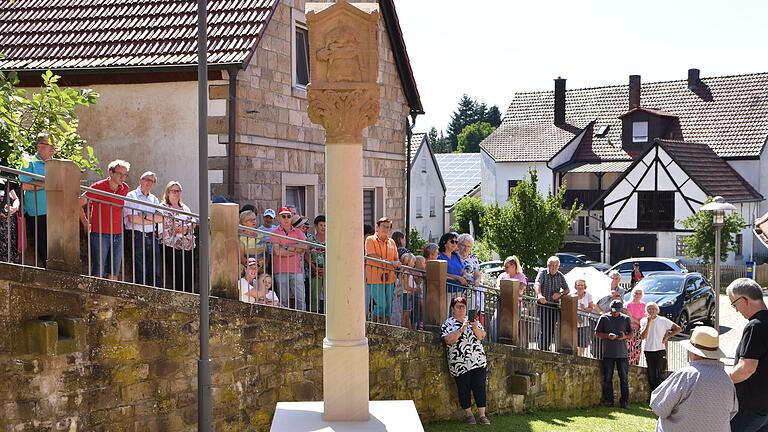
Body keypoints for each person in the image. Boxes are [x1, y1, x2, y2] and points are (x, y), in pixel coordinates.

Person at [650, 326, 738, 432]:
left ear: (694, 352)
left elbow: (659, 407)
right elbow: (732, 412)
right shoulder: (726, 380)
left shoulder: (686, 375)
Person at [726, 278, 768, 431]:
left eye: (734, 304)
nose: (736, 310)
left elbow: (746, 368)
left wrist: (723, 379)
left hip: (749, 408)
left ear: (744, 300)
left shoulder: (755, 326)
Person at [441, 296, 490, 425]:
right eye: (458, 306)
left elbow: (482, 336)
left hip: (478, 361)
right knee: (464, 389)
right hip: (460, 363)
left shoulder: (474, 321)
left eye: (463, 306)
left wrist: (474, 327)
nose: (461, 308)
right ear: (453, 309)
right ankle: (469, 415)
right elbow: (448, 340)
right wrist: (462, 329)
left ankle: (482, 415)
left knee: (480, 388)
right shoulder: (448, 323)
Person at [81, 160, 130, 280]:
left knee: (114, 270)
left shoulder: (124, 188)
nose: (122, 177)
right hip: (100, 233)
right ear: (111, 173)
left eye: (125, 174)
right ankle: (94, 295)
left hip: (118, 234)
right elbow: (79, 202)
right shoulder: (98, 186)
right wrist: (85, 223)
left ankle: (112, 297)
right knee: (99, 269)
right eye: (120, 174)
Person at [19, 132, 55, 267]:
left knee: (55, 246)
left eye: (54, 146)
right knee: (44, 246)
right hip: (37, 212)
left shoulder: (55, 163)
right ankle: (49, 273)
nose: (53, 149)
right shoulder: (29, 162)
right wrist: (47, 183)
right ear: (39, 146)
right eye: (50, 145)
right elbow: (24, 185)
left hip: (54, 211)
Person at [123, 171, 164, 286]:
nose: (149, 182)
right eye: (147, 179)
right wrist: (151, 219)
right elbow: (132, 218)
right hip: (136, 235)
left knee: (155, 267)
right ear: (140, 181)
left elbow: (160, 218)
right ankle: (142, 292)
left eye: (152, 181)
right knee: (139, 266)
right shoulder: (131, 196)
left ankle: (156, 293)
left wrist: (144, 216)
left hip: (152, 235)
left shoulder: (154, 199)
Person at [595, 299, 632, 408]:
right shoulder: (604, 318)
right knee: (607, 378)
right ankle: (608, 400)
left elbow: (631, 334)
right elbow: (597, 333)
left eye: (618, 311)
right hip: (608, 353)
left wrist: (624, 337)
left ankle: (624, 401)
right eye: (614, 310)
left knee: (624, 378)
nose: (616, 312)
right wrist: (608, 336)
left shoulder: (625, 319)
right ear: (610, 308)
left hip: (622, 354)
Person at [160, 181, 196, 291]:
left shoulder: (184, 207)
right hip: (172, 245)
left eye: (178, 191)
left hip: (188, 245)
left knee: (189, 273)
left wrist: (186, 226)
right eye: (173, 191)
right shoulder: (164, 207)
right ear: (168, 193)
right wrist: (187, 226)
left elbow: (193, 221)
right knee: (177, 272)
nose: (176, 193)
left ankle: (190, 296)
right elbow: (174, 228)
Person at [364, 217, 400, 323]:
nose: (385, 229)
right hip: (375, 277)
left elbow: (395, 257)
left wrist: (397, 262)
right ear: (377, 227)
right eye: (383, 226)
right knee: (381, 304)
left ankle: (386, 326)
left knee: (388, 305)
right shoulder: (370, 239)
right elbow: (372, 255)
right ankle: (376, 326)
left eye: (388, 227)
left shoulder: (392, 242)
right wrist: (389, 262)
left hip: (390, 278)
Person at [640, 302, 682, 392]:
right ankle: (654, 393)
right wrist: (648, 323)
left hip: (660, 350)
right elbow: (642, 336)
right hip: (648, 350)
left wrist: (667, 336)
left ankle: (660, 393)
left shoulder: (663, 320)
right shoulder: (644, 320)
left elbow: (678, 328)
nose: (651, 311)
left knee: (660, 373)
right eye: (649, 309)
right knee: (651, 374)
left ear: (656, 310)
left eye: (653, 309)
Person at [271, 207, 307, 310]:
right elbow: (278, 252)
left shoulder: (298, 232)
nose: (286, 219)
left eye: (289, 216)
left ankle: (303, 319)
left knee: (300, 297)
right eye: (283, 216)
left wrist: (286, 247)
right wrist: (295, 248)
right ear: (279, 218)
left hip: (296, 270)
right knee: (283, 299)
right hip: (280, 270)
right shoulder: (274, 232)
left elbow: (304, 247)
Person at [533, 256, 570, 351]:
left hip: (554, 306)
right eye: (552, 265)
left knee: (551, 328)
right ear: (548, 265)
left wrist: (560, 294)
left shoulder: (560, 275)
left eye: (556, 266)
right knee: (544, 327)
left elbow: (567, 289)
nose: (553, 267)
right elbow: (537, 284)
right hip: (543, 304)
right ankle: (542, 347)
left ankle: (546, 347)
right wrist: (539, 295)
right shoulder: (543, 273)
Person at [306, 215, 326, 313]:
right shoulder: (310, 239)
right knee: (314, 294)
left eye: (325, 225)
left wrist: (326, 269)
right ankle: (315, 313)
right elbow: (306, 255)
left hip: (328, 272)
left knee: (329, 294)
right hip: (314, 271)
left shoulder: (331, 240)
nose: (323, 227)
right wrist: (314, 268)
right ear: (316, 226)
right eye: (321, 225)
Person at [457, 233, 482, 309]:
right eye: (463, 245)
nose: (466, 248)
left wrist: (477, 280)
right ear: (458, 245)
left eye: (468, 246)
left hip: (470, 288)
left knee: (470, 310)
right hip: (456, 286)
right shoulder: (454, 256)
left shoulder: (473, 258)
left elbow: (477, 273)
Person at [0, 177, 20, 263]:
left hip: (8, 220)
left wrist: (15, 208)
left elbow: (16, 198)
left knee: (9, 245)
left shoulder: (4, 181)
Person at [573, 279, 595, 356]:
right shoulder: (572, 295)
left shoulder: (588, 295)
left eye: (582, 285)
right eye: (578, 285)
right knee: (574, 342)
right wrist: (576, 318)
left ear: (584, 286)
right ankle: (575, 356)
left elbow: (591, 308)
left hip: (584, 323)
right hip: (574, 323)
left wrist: (584, 308)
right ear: (575, 286)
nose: (580, 287)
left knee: (582, 342)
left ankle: (579, 356)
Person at [626, 288, 647, 366]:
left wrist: (642, 325)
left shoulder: (644, 305)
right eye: (636, 293)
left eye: (639, 293)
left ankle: (635, 364)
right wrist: (640, 323)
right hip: (632, 329)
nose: (637, 295)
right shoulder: (628, 304)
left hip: (640, 330)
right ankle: (628, 364)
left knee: (637, 348)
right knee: (630, 347)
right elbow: (630, 317)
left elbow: (646, 316)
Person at [412, 255, 426, 330]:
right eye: (424, 263)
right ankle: (420, 322)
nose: (425, 264)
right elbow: (417, 282)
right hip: (416, 294)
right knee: (421, 304)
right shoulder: (416, 272)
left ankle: (421, 322)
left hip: (420, 293)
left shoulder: (423, 272)